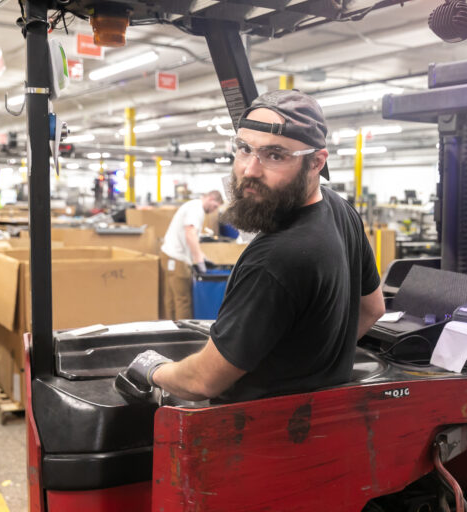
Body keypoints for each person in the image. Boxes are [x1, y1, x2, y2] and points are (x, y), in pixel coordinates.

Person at [126, 89, 386, 402]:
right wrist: (309, 364)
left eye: (275, 155)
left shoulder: (276, 258)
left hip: (258, 435)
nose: (250, 170)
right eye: (244, 149)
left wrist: (152, 368)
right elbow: (373, 308)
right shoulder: (341, 209)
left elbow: (202, 381)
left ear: (317, 162)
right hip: (315, 422)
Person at [160, 190, 224, 320]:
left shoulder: (193, 206)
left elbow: (191, 236)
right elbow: (190, 234)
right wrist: (199, 260)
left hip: (170, 256)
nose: (213, 210)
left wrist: (203, 257)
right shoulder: (197, 209)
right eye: (215, 206)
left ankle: (171, 331)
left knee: (172, 298)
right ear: (211, 198)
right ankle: (184, 336)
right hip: (177, 258)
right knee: (183, 300)